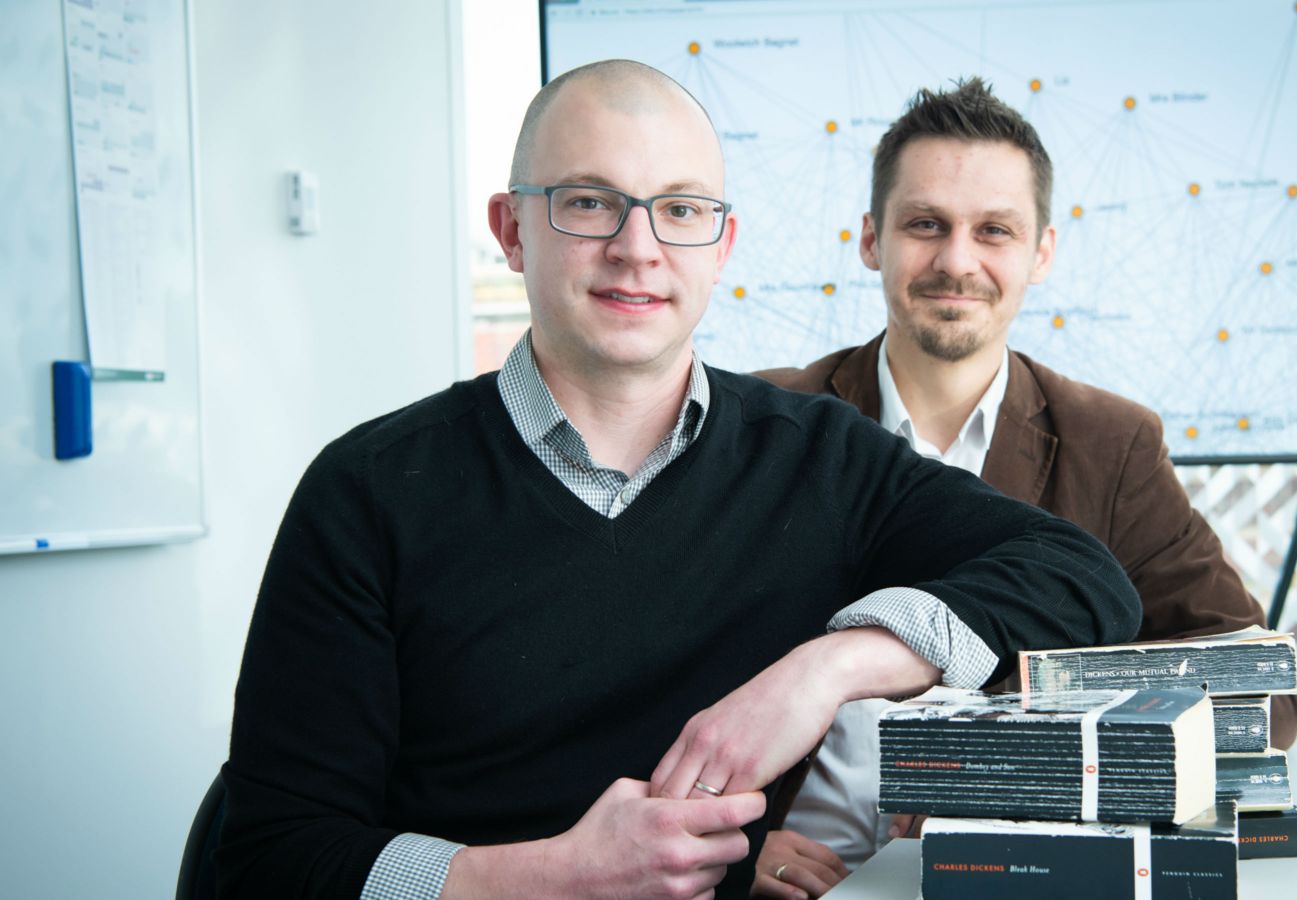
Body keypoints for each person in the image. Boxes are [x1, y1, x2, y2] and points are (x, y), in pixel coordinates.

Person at [217, 61, 1143, 900]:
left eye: (681, 209)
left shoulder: (817, 458)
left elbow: (1081, 578)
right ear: (511, 230)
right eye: (588, 203)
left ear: (722, 245)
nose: (638, 247)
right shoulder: (368, 491)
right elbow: (268, 860)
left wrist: (828, 671)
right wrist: (556, 878)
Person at [754, 78, 1297, 898]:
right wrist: (725, 849)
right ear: (871, 239)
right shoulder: (765, 425)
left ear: (1042, 252)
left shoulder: (1111, 444)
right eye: (924, 224)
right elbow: (635, 672)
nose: (956, 260)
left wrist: (992, 776)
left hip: (1012, 878)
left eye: (995, 231)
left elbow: (1257, 689)